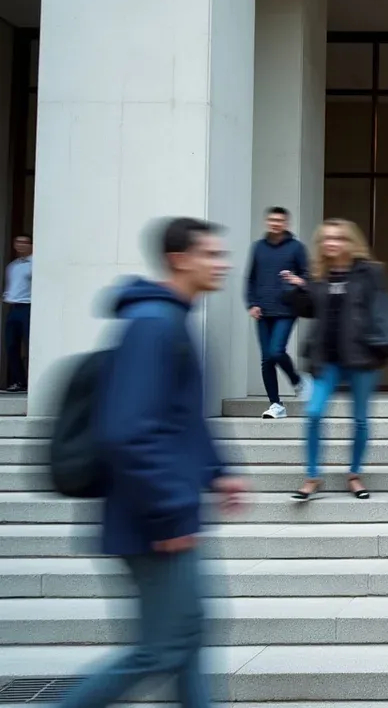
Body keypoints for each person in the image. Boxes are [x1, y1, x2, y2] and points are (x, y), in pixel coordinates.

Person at [56, 217, 247, 708]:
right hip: (151, 520)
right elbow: (127, 430)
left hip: (167, 511)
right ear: (179, 259)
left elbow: (181, 419)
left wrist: (218, 470)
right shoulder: (153, 325)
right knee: (159, 651)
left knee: (187, 642)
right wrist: (167, 512)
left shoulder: (172, 321)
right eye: (211, 254)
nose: (222, 263)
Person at [282, 218, 387, 502]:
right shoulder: (320, 276)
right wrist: (297, 289)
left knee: (360, 420)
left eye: (338, 238)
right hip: (326, 359)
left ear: (349, 242)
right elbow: (310, 310)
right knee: (314, 412)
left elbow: (379, 311)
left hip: (361, 358)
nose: (332, 243)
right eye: (327, 238)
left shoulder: (369, 274)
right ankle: (313, 476)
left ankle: (354, 474)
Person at [246, 207, 312, 419]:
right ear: (267, 222)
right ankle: (276, 404)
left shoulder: (296, 248)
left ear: (286, 224)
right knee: (266, 360)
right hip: (263, 310)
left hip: (286, 308)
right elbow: (250, 279)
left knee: (276, 350)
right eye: (272, 220)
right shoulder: (258, 248)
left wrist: (298, 280)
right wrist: (251, 303)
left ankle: (296, 380)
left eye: (280, 221)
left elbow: (309, 277)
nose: (275, 223)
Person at [3, 234, 32, 392]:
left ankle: (31, 381)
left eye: (25, 242)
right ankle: (18, 381)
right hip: (13, 308)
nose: (21, 245)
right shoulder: (12, 266)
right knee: (11, 345)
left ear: (31, 245)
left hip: (27, 307)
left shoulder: (35, 264)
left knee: (29, 345)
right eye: (18, 242)